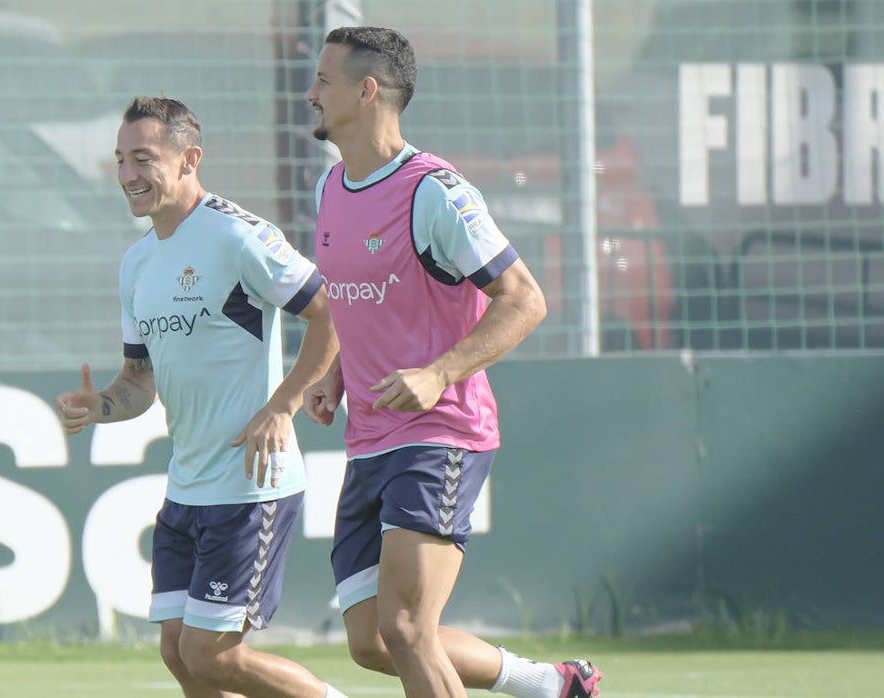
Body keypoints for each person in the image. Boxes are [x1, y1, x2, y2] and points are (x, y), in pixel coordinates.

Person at [300, 27, 603, 698]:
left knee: (407, 625)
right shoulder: (329, 189)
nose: (309, 93)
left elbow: (524, 300)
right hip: (370, 438)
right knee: (374, 641)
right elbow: (368, 300)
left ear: (367, 90)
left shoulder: (433, 191)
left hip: (442, 433)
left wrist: (439, 373)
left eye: (323, 80)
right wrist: (337, 374)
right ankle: (549, 685)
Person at [56, 96, 346, 698]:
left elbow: (330, 314)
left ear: (190, 159)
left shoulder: (238, 237)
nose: (128, 175)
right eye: (119, 160)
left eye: (143, 158)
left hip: (249, 483)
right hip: (187, 486)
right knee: (178, 652)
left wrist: (282, 406)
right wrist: (101, 406)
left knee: (210, 654)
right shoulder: (137, 263)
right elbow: (137, 381)